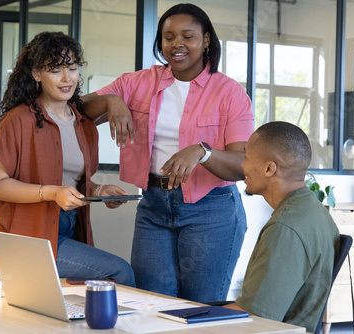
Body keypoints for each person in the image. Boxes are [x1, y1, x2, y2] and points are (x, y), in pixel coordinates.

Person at [82, 3, 254, 302]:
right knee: (151, 305)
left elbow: (242, 165)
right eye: (169, 36)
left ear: (206, 40)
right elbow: (77, 110)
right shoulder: (137, 83)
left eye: (187, 36)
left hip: (211, 211)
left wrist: (202, 152)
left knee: (200, 308)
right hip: (153, 207)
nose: (177, 44)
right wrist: (112, 100)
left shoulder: (229, 92)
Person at [0, 31, 135, 286]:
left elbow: (70, 182)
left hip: (69, 226)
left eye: (73, 68)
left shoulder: (83, 122)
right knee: (120, 272)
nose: (67, 79)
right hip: (29, 235)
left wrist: (98, 190)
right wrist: (51, 193)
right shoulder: (19, 119)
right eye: (55, 70)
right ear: (36, 74)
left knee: (68, 303)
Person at [223, 121, 340, 333]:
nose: (242, 166)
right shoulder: (314, 210)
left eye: (247, 157)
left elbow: (255, 318)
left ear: (269, 168)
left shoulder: (285, 228)